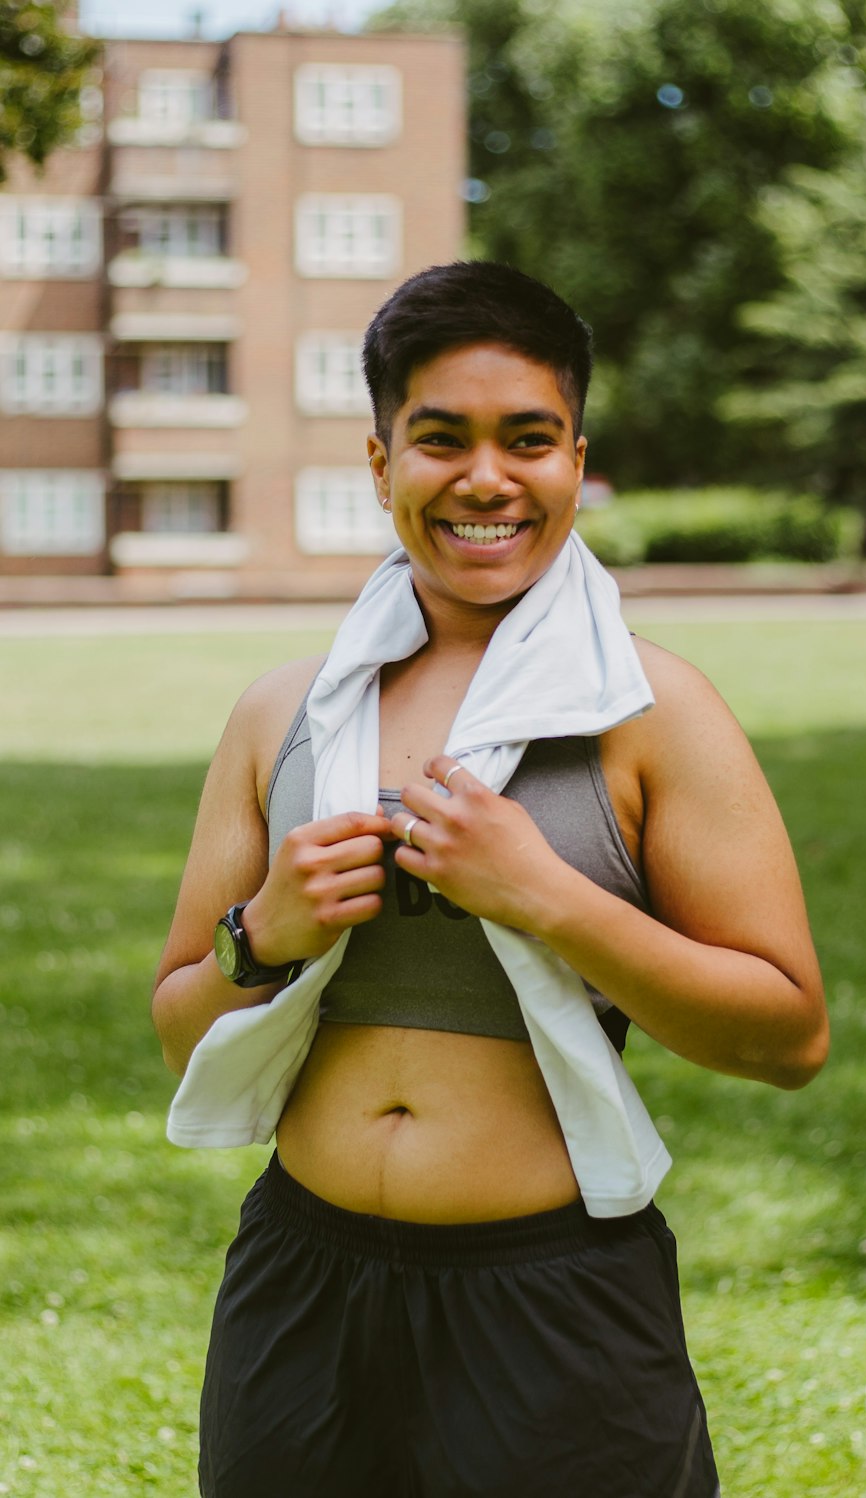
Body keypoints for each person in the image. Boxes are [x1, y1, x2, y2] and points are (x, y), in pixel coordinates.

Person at [152, 260, 828, 1498]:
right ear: (379, 463)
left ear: (576, 459)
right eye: (440, 438)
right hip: (301, 1278)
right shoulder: (281, 714)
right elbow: (176, 1025)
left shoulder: (650, 711)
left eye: (527, 439)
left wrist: (545, 895)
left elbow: (786, 1034)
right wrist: (265, 935)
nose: (484, 479)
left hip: (552, 1292)